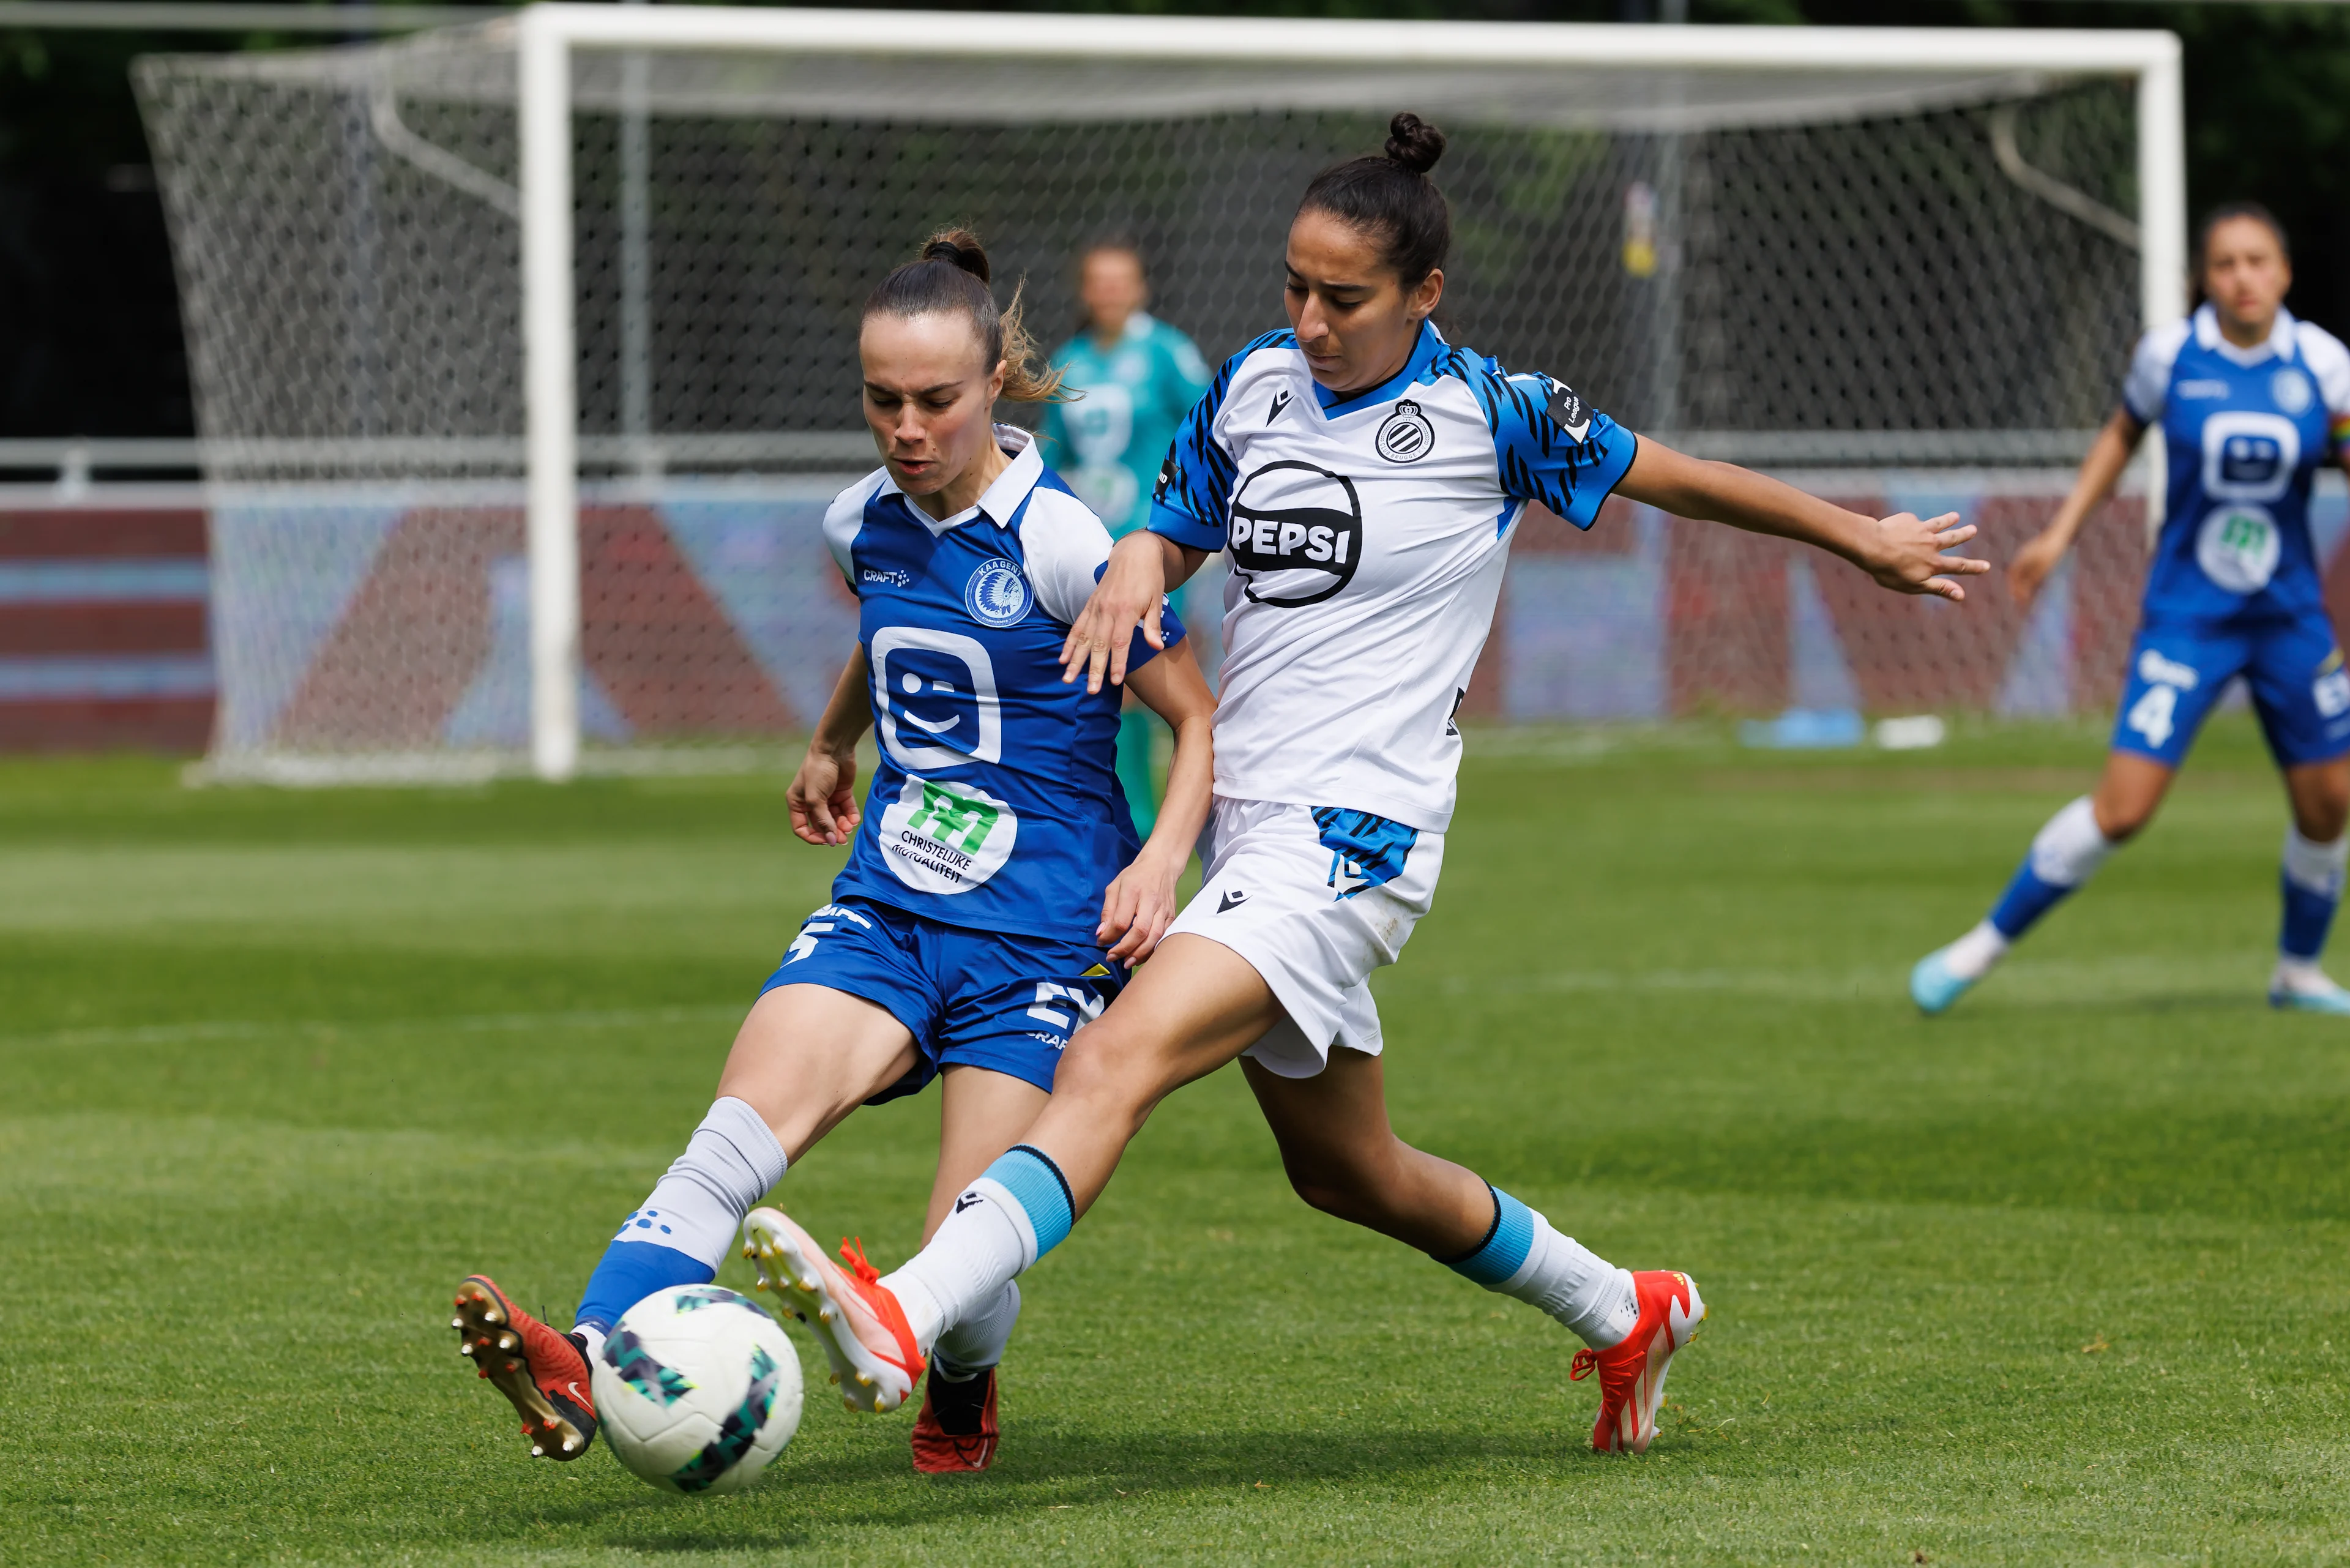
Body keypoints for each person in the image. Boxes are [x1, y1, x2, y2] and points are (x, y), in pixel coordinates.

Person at [744, 114, 1986, 1455]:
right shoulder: (1251, 389)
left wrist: (1864, 539)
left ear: (1425, 295)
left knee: (1113, 1057)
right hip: (1251, 830)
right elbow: (1173, 529)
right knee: (1350, 1172)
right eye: (1296, 286)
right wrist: (1136, 568)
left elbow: (1675, 479)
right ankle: (1630, 1308)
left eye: (1345, 297)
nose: (1312, 318)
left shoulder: (1492, 416)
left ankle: (905, 1316)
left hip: (1356, 837)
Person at [449, 230, 1216, 1477]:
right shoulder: (859, 521)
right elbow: (885, 629)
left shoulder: (1067, 543)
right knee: (734, 1139)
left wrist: (1161, 863)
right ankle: (583, 1358)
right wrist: (831, 743)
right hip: (890, 907)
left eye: (936, 402)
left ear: (996, 388)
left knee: (965, 1266)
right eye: (882, 401)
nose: (907, 429)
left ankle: (962, 1387)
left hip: (1040, 938)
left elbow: (1197, 720)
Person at [1912, 204, 2350, 1017]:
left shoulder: (2326, 367)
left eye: (2258, 261)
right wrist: (2059, 532)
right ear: (2203, 277)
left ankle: (2297, 972)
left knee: (2331, 803)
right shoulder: (2170, 356)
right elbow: (2121, 435)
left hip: (2289, 617)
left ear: (2285, 272)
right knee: (2125, 806)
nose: (2243, 277)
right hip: (2188, 616)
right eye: (2225, 264)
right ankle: (1980, 946)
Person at [1039, 241, 1214, 837]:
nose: (1111, 293)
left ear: (1139, 288)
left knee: (1156, 683)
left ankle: (1185, 819)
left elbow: (1209, 427)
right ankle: (1134, 822)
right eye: (1100, 282)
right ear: (1085, 291)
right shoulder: (1070, 360)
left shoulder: (1166, 352)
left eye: (1122, 281)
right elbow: (1053, 452)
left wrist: (1200, 517)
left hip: (1157, 547)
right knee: (1110, 681)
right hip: (1090, 549)